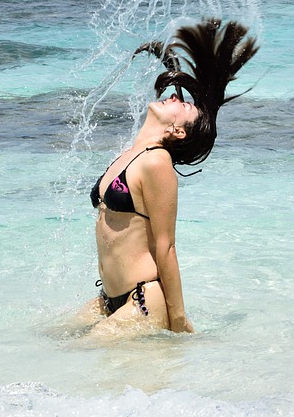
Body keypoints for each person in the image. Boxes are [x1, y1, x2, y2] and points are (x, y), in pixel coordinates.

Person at [78, 17, 258, 335]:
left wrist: (178, 321)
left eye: (183, 106)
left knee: (72, 361)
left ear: (177, 131)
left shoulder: (157, 161)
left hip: (143, 302)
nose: (175, 98)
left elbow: (166, 247)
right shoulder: (129, 153)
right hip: (108, 299)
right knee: (34, 346)